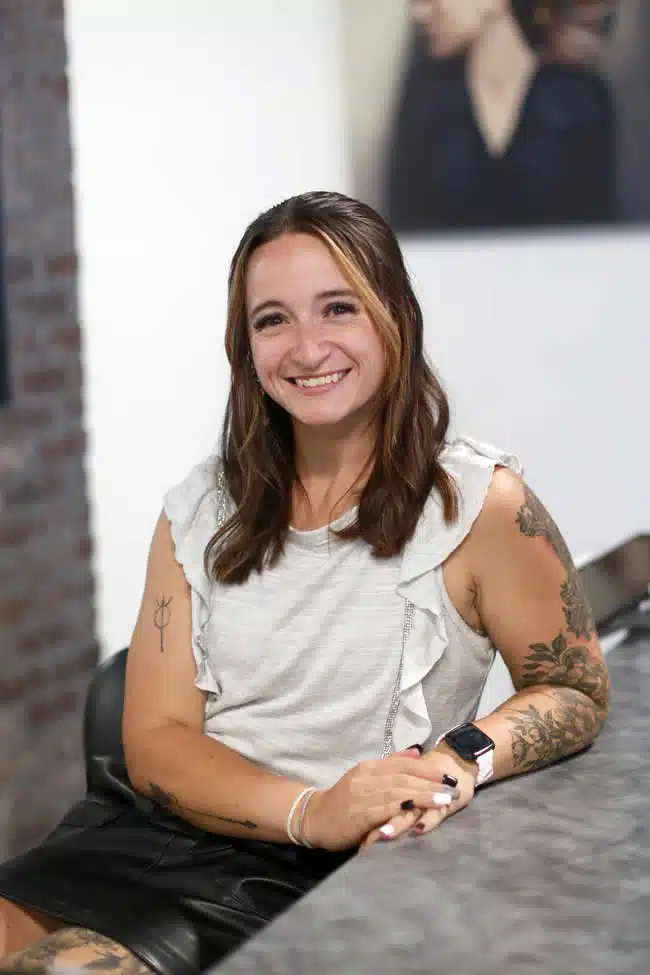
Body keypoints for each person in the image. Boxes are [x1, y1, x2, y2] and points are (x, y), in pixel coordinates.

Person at [0, 191, 610, 975]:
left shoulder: (478, 505)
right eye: (272, 320)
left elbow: (574, 688)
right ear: (245, 345)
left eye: (337, 308)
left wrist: (463, 756)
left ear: (394, 316)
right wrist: (308, 807)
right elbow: (155, 742)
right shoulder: (199, 508)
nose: (307, 347)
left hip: (301, 876)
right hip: (151, 831)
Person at [387, 0, 617, 231]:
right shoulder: (425, 99)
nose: (420, 13)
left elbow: (601, 226)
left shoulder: (581, 98)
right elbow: (404, 225)